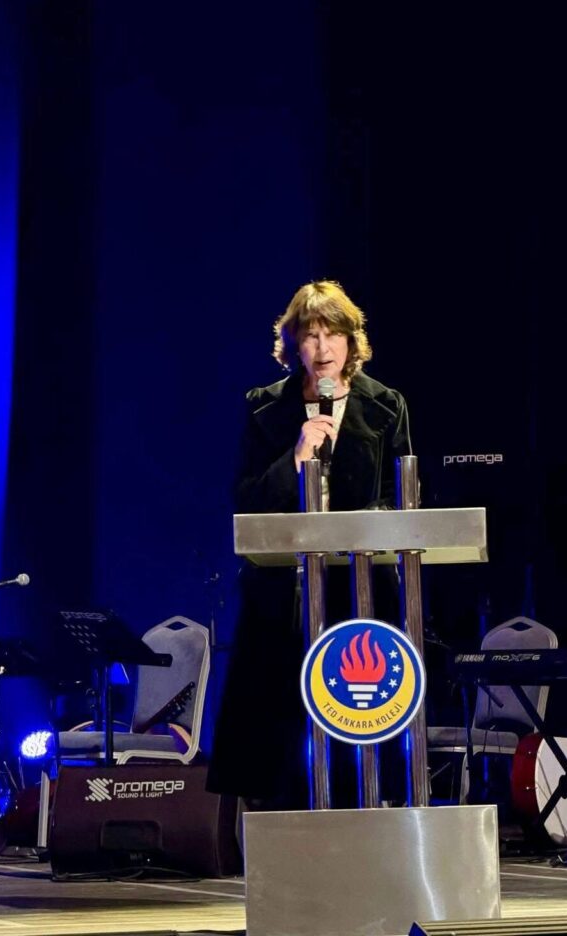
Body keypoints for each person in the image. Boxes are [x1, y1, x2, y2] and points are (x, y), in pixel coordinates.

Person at [207, 280, 412, 809]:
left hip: (360, 591)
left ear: (351, 341)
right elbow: (246, 499)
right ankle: (276, 821)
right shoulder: (264, 407)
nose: (322, 349)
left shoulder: (386, 405)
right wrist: (296, 457)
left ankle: (364, 811)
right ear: (293, 345)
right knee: (273, 726)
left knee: (355, 722)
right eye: (310, 336)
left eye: (332, 335)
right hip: (281, 589)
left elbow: (400, 500)